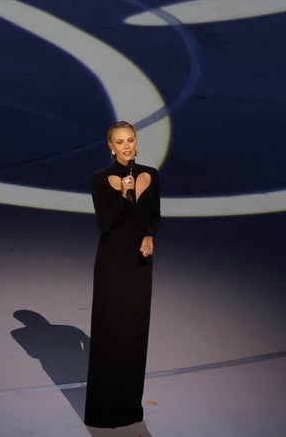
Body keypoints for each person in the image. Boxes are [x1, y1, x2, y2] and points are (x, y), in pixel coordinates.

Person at [84, 121, 161, 429]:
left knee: (134, 332)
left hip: (140, 263)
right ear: (111, 147)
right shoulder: (100, 179)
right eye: (120, 142)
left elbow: (153, 215)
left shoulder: (151, 175)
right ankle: (104, 412)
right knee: (110, 331)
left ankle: (129, 407)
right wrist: (123, 194)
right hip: (112, 264)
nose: (127, 146)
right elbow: (105, 223)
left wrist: (150, 235)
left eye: (130, 140)